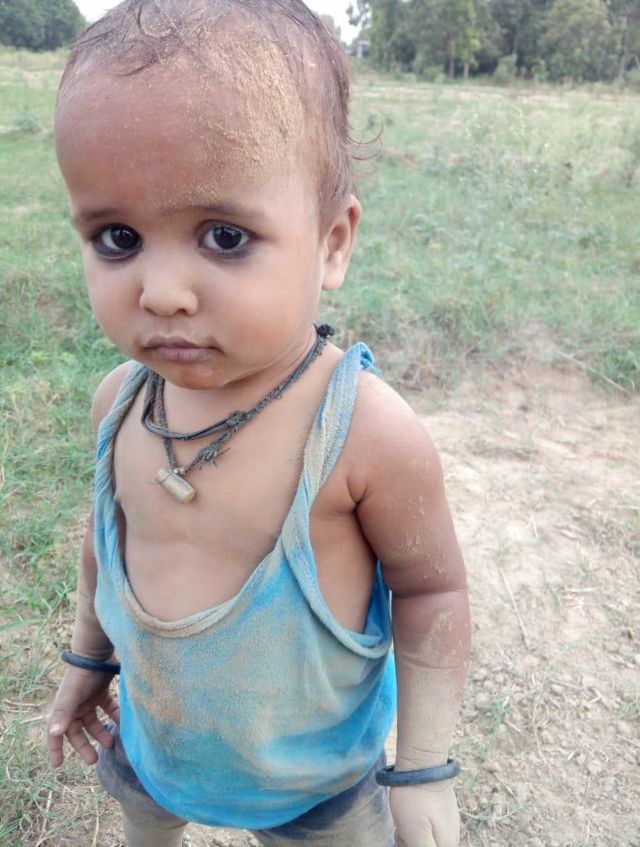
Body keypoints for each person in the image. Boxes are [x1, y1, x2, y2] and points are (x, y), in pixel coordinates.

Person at [46, 2, 470, 845]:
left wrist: (423, 766)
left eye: (225, 236)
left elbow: (432, 592)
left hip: (317, 786)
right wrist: (90, 656)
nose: (163, 291)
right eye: (118, 237)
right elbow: (107, 542)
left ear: (332, 242)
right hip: (154, 748)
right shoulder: (120, 403)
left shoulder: (364, 434)